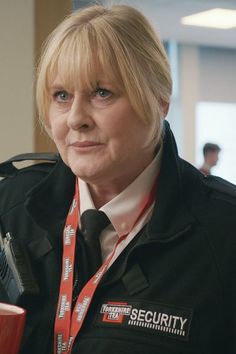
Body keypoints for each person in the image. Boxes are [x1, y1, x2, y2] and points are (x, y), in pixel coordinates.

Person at [0, 3, 236, 354]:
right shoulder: (10, 205)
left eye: (102, 93)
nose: (77, 118)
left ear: (159, 101)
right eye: (62, 96)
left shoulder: (224, 232)